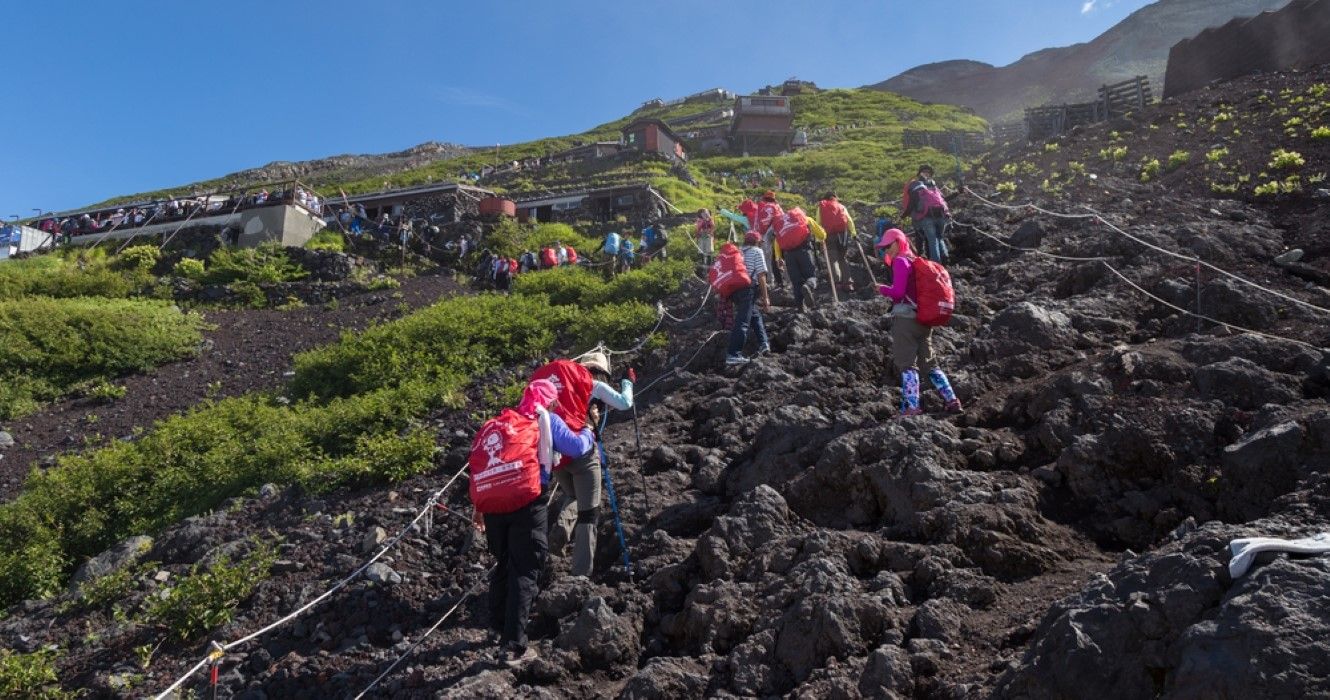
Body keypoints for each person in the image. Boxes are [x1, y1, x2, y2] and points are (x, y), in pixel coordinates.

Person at [468, 378, 596, 667]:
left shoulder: (502, 423)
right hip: (528, 502)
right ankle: (514, 647)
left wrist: (479, 507)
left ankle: (497, 627)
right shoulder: (545, 419)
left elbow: (483, 466)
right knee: (525, 570)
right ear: (549, 400)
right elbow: (576, 448)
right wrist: (589, 431)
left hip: (493, 506)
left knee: (504, 564)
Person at [531, 351, 634, 578]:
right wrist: (627, 383)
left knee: (574, 495)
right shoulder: (592, 384)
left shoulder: (552, 384)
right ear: (599, 372)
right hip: (581, 453)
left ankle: (560, 529)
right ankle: (580, 575)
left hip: (554, 456)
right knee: (589, 514)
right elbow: (625, 403)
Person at [876, 228, 963, 416]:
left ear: (898, 242)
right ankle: (952, 400)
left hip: (905, 321)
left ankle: (912, 406)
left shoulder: (900, 261)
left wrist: (883, 289)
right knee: (931, 364)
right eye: (883, 248)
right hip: (923, 319)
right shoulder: (914, 260)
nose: (886, 250)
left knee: (907, 365)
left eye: (888, 246)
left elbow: (898, 292)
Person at [725, 231, 772, 365]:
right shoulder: (757, 251)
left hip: (735, 291)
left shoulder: (738, 252)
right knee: (743, 322)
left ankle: (764, 344)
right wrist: (765, 298)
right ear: (757, 242)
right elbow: (761, 275)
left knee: (755, 315)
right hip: (747, 290)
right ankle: (733, 354)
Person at [771, 208, 827, 313]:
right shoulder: (806, 219)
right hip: (804, 251)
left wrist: (779, 258)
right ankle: (808, 286)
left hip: (789, 256)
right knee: (811, 276)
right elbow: (822, 235)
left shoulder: (782, 225)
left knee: (796, 283)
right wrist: (823, 236)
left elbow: (777, 242)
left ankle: (800, 308)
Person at [901, 164, 952, 262]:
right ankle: (945, 255)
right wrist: (958, 192)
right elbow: (944, 200)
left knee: (932, 241)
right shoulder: (933, 186)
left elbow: (911, 203)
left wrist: (903, 216)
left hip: (927, 217)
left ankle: (936, 263)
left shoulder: (915, 185)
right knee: (939, 237)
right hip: (941, 216)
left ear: (919, 174)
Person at [818, 192, 857, 292]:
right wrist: (853, 233)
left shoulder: (821, 207)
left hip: (828, 235)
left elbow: (818, 223)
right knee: (842, 258)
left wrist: (819, 239)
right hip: (842, 235)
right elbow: (849, 220)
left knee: (833, 260)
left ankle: (838, 283)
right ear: (835, 198)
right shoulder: (841, 206)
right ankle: (848, 283)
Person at [754, 191, 785, 289]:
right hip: (777, 235)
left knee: (768, 259)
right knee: (780, 257)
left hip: (764, 236)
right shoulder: (777, 207)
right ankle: (786, 281)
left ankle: (771, 281)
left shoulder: (761, 208)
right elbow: (783, 219)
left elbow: (756, 224)